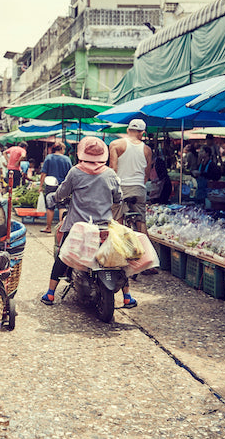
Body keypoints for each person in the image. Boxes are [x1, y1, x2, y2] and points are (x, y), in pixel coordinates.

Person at [40, 137, 121, 305]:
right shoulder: (111, 173)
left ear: (82, 153)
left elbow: (62, 192)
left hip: (78, 225)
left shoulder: (76, 171)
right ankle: (127, 296)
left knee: (63, 255)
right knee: (118, 258)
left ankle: (50, 293)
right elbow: (118, 197)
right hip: (104, 225)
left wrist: (53, 197)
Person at [109, 118, 153, 307]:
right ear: (143, 132)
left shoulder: (116, 144)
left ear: (128, 129)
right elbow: (147, 172)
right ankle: (148, 259)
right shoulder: (147, 149)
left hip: (122, 187)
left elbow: (113, 169)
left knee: (116, 223)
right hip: (139, 188)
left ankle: (118, 255)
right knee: (141, 221)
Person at [39, 142, 72, 233]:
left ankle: (48, 227)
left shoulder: (49, 158)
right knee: (62, 206)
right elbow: (70, 174)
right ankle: (61, 228)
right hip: (63, 185)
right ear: (61, 149)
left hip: (50, 184)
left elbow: (44, 173)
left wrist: (41, 186)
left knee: (50, 207)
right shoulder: (67, 159)